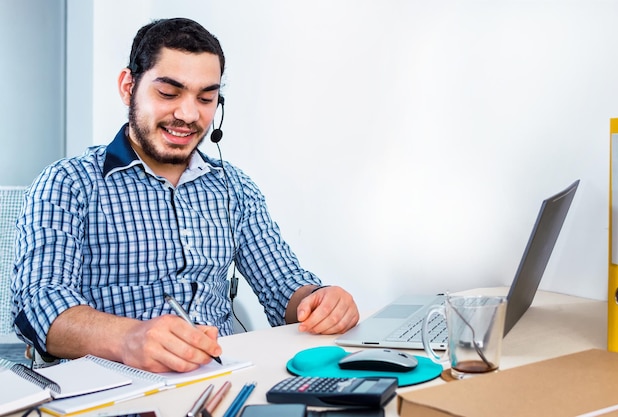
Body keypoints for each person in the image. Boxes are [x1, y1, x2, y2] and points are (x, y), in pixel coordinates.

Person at [11, 17, 359, 373]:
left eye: (206, 98)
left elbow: (283, 286)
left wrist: (320, 301)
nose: (189, 114)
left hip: (221, 376)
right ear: (128, 87)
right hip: (113, 387)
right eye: (168, 93)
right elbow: (38, 306)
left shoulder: (233, 188)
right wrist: (130, 339)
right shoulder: (67, 184)